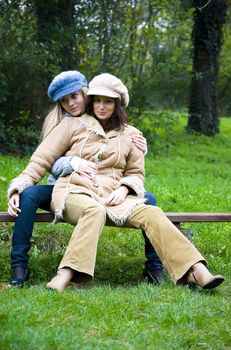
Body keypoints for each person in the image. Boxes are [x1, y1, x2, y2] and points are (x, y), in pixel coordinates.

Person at [8, 73, 224, 292]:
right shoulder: (71, 125)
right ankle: (65, 274)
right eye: (98, 101)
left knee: (153, 211)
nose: (101, 106)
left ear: (117, 104)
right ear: (92, 100)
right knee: (93, 210)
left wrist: (124, 188)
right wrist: (19, 187)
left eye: (108, 101)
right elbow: (41, 159)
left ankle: (195, 270)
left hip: (113, 197)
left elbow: (136, 172)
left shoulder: (132, 135)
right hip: (75, 191)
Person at [7, 70, 164, 287]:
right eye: (64, 100)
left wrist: (138, 148)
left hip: (104, 189)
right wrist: (72, 163)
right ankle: (19, 267)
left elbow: (119, 150)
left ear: (85, 93)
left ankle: (155, 268)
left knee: (149, 199)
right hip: (65, 188)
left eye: (74, 96)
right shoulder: (66, 123)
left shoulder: (105, 116)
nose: (71, 103)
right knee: (30, 194)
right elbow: (44, 160)